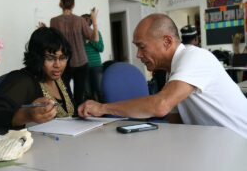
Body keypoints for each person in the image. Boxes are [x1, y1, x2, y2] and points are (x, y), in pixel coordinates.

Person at [78, 13, 247, 138]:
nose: (138, 55)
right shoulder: (172, 72)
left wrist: (102, 108)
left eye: (142, 47)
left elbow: (160, 105)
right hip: (217, 144)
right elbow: (176, 121)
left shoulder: (194, 57)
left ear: (167, 42)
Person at [0, 27, 75, 128]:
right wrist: (25, 115)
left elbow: (70, 114)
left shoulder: (60, 79)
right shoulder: (22, 80)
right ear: (37, 58)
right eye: (50, 58)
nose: (58, 65)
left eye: (62, 58)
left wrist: (86, 107)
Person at [50, 0, 99, 106]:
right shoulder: (80, 20)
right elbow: (95, 39)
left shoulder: (54, 21)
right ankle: (78, 117)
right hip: (81, 61)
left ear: (60, 3)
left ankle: (70, 115)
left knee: (65, 93)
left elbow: (52, 41)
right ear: (73, 5)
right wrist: (94, 20)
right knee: (79, 94)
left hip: (64, 62)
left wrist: (44, 30)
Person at [81, 13, 104, 102]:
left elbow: (101, 48)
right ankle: (92, 113)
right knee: (88, 93)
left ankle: (104, 111)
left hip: (96, 66)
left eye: (86, 21)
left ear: (90, 23)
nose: (84, 23)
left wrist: (90, 40)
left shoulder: (97, 33)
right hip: (84, 67)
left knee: (99, 91)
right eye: (82, 21)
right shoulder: (79, 35)